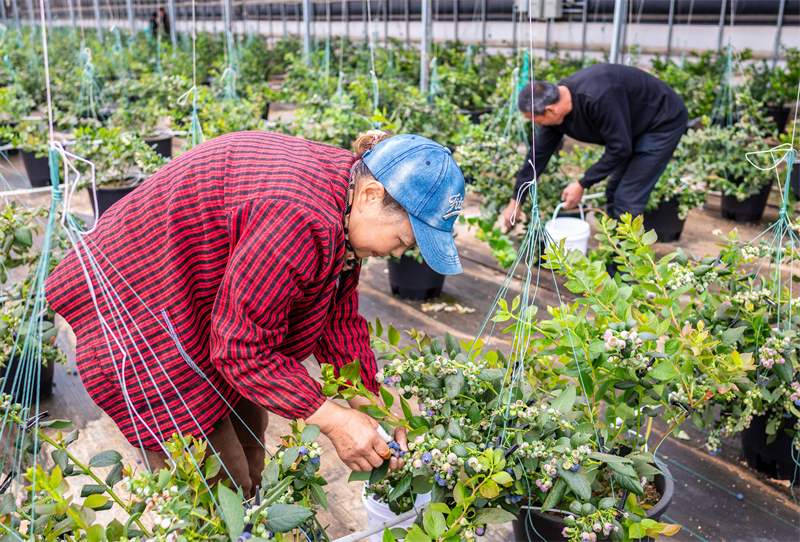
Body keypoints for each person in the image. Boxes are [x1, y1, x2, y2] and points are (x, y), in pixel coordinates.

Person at [45, 131, 466, 498]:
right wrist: (334, 420)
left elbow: (337, 317)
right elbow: (239, 350)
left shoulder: (345, 196)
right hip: (143, 311)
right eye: (402, 240)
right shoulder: (298, 213)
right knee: (218, 484)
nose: (396, 254)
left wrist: (372, 400)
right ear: (373, 195)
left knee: (250, 448)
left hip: (204, 308)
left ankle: (251, 516)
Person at [502, 64, 688, 229]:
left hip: (663, 122)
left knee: (627, 197)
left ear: (551, 110)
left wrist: (582, 183)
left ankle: (625, 265)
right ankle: (616, 255)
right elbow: (537, 156)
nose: (539, 126)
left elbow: (620, 149)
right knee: (613, 191)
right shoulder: (555, 115)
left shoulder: (598, 97)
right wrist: (516, 201)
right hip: (634, 126)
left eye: (537, 121)